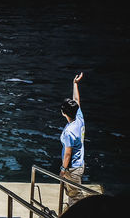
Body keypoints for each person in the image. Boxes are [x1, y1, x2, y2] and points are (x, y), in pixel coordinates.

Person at [59, 72, 86, 206]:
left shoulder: (69, 132)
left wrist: (63, 169)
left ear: (64, 113)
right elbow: (76, 101)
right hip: (80, 163)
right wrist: (75, 84)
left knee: (76, 196)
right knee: (72, 193)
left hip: (72, 169)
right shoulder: (79, 118)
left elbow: (68, 153)